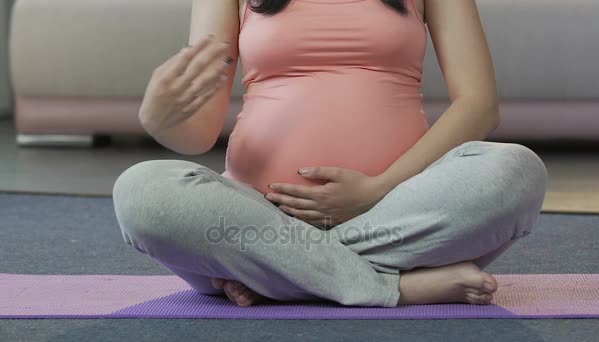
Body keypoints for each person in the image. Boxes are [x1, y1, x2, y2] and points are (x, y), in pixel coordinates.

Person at [112, 0, 548, 308]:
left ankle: (279, 277)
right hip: (259, 217)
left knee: (514, 170)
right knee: (142, 191)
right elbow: (200, 133)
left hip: (394, 213)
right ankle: (395, 287)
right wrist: (160, 120)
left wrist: (378, 190)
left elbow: (479, 104)